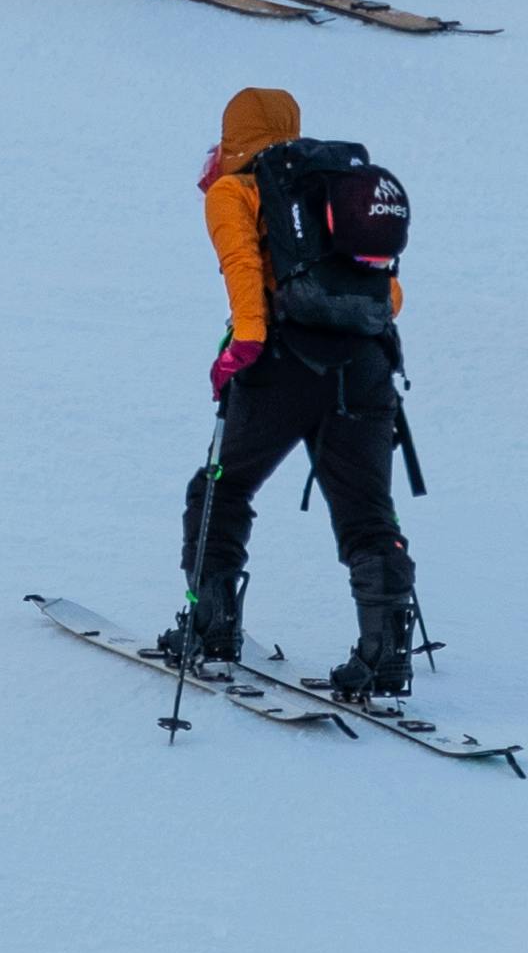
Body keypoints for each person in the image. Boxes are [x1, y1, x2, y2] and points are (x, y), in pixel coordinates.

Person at [150, 85, 422, 702]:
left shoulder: (236, 190)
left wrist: (242, 347)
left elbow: (242, 270)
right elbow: (386, 294)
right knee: (368, 514)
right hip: (366, 369)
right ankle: (383, 657)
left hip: (281, 365)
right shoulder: (333, 190)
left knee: (224, 485)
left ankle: (211, 624)